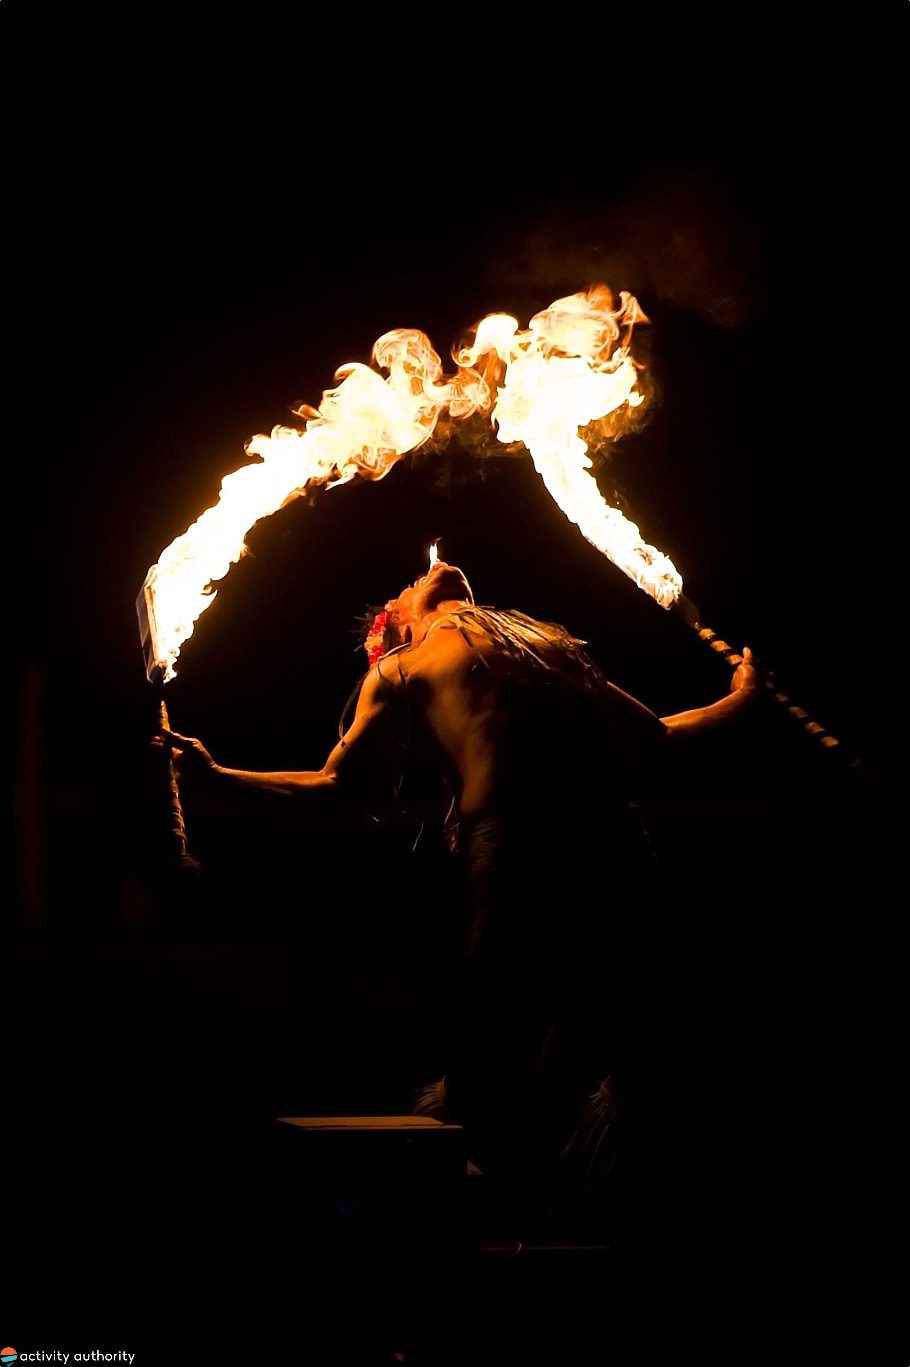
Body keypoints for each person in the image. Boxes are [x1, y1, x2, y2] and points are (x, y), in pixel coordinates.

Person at [162, 560, 757, 1229]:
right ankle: (460, 1239)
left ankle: (625, 1227)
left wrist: (742, 696)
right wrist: (217, 777)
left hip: (612, 842)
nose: (420, 573)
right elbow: (339, 785)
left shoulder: (549, 650)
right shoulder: (400, 669)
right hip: (516, 848)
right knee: (491, 1056)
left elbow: (659, 739)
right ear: (398, 624)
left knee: (649, 1057)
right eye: (404, 585)